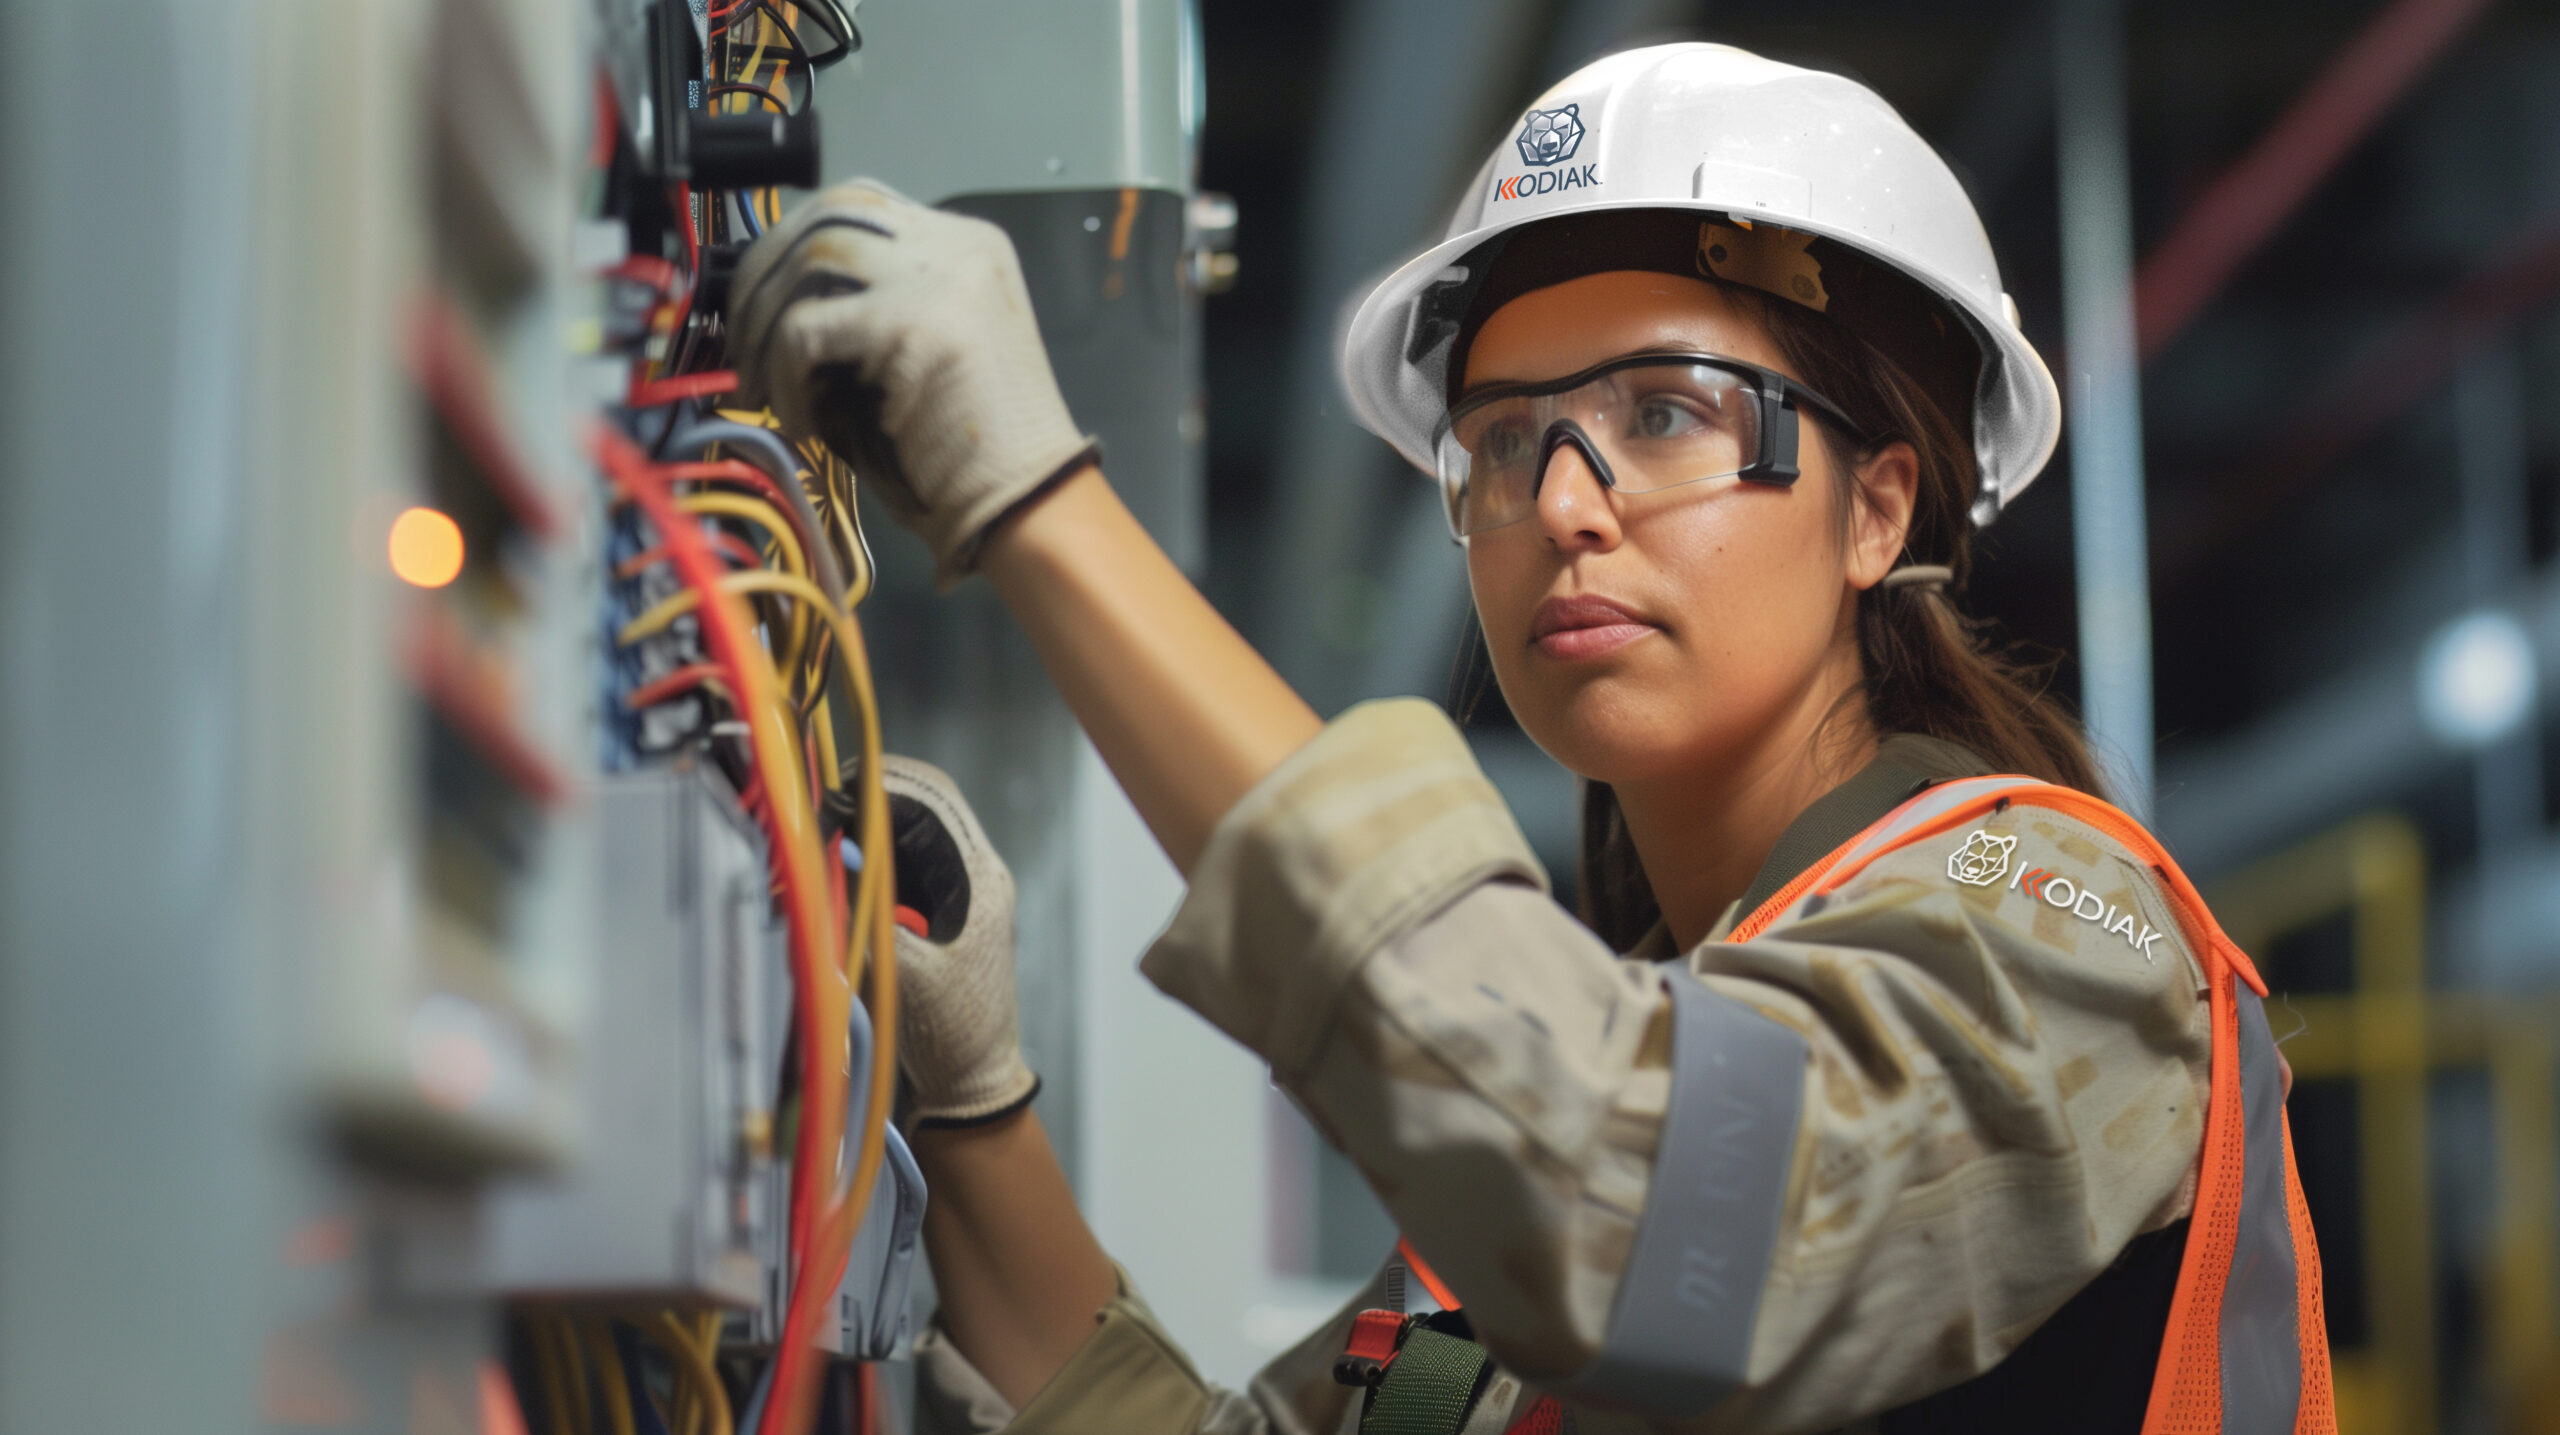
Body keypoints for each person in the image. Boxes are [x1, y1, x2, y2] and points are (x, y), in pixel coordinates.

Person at [732, 41, 2332, 1435]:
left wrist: (1034, 500)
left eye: (1668, 412)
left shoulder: (2061, 932)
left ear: (1880, 509)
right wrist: (974, 1093)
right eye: (1505, 442)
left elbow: (1641, 1208)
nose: (1563, 504)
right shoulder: (1512, 1223)